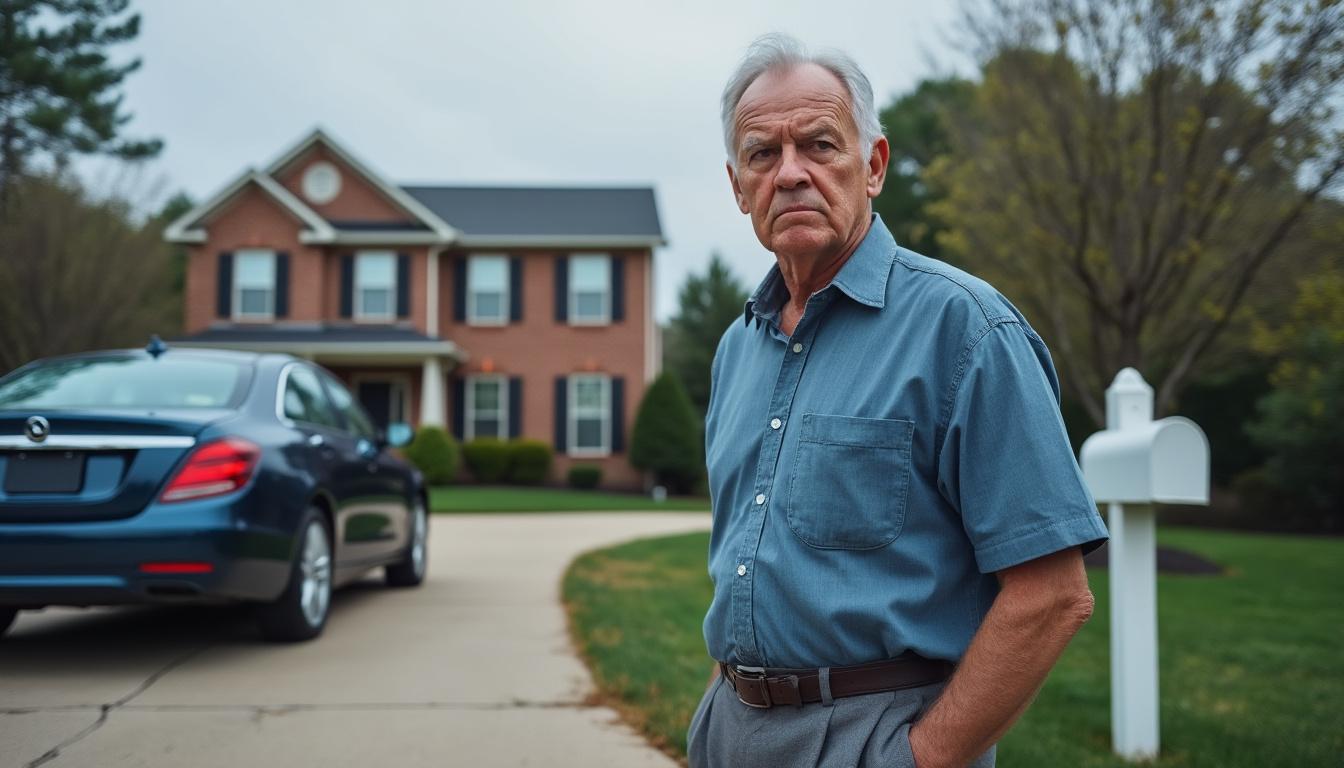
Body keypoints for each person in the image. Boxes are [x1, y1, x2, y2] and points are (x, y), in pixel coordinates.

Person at [687, 34, 1110, 768]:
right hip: (729, 731)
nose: (791, 174)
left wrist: (920, 759)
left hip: (873, 738)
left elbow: (1051, 596)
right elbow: (742, 565)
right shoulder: (736, 350)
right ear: (737, 184)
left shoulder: (967, 330)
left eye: (819, 145)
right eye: (763, 154)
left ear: (873, 164)